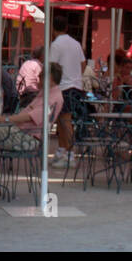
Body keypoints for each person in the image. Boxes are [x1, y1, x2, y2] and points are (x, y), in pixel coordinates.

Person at [0, 63, 64, 197]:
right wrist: (6, 119)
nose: (38, 77)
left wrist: (6, 120)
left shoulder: (53, 97)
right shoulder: (46, 93)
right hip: (19, 133)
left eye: (41, 75)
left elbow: (31, 116)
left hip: (27, 137)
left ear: (49, 77)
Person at [50, 26, 86, 168]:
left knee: (65, 120)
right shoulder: (76, 44)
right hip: (76, 86)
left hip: (63, 86)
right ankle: (62, 150)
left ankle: (70, 154)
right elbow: (83, 63)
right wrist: (77, 77)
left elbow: (51, 66)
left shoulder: (56, 44)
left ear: (54, 29)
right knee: (62, 119)